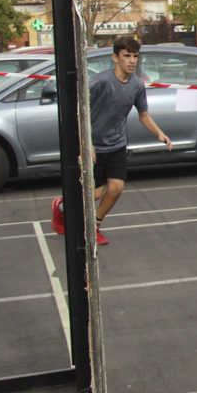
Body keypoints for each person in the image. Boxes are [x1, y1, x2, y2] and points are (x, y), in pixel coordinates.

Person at [50, 37, 171, 246]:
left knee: (116, 188)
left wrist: (159, 133)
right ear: (115, 58)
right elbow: (80, 111)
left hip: (116, 144)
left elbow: (144, 115)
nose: (132, 61)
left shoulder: (137, 85)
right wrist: (87, 144)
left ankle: (94, 226)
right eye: (127, 56)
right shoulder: (101, 81)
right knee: (94, 194)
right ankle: (61, 207)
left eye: (135, 56)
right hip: (94, 144)